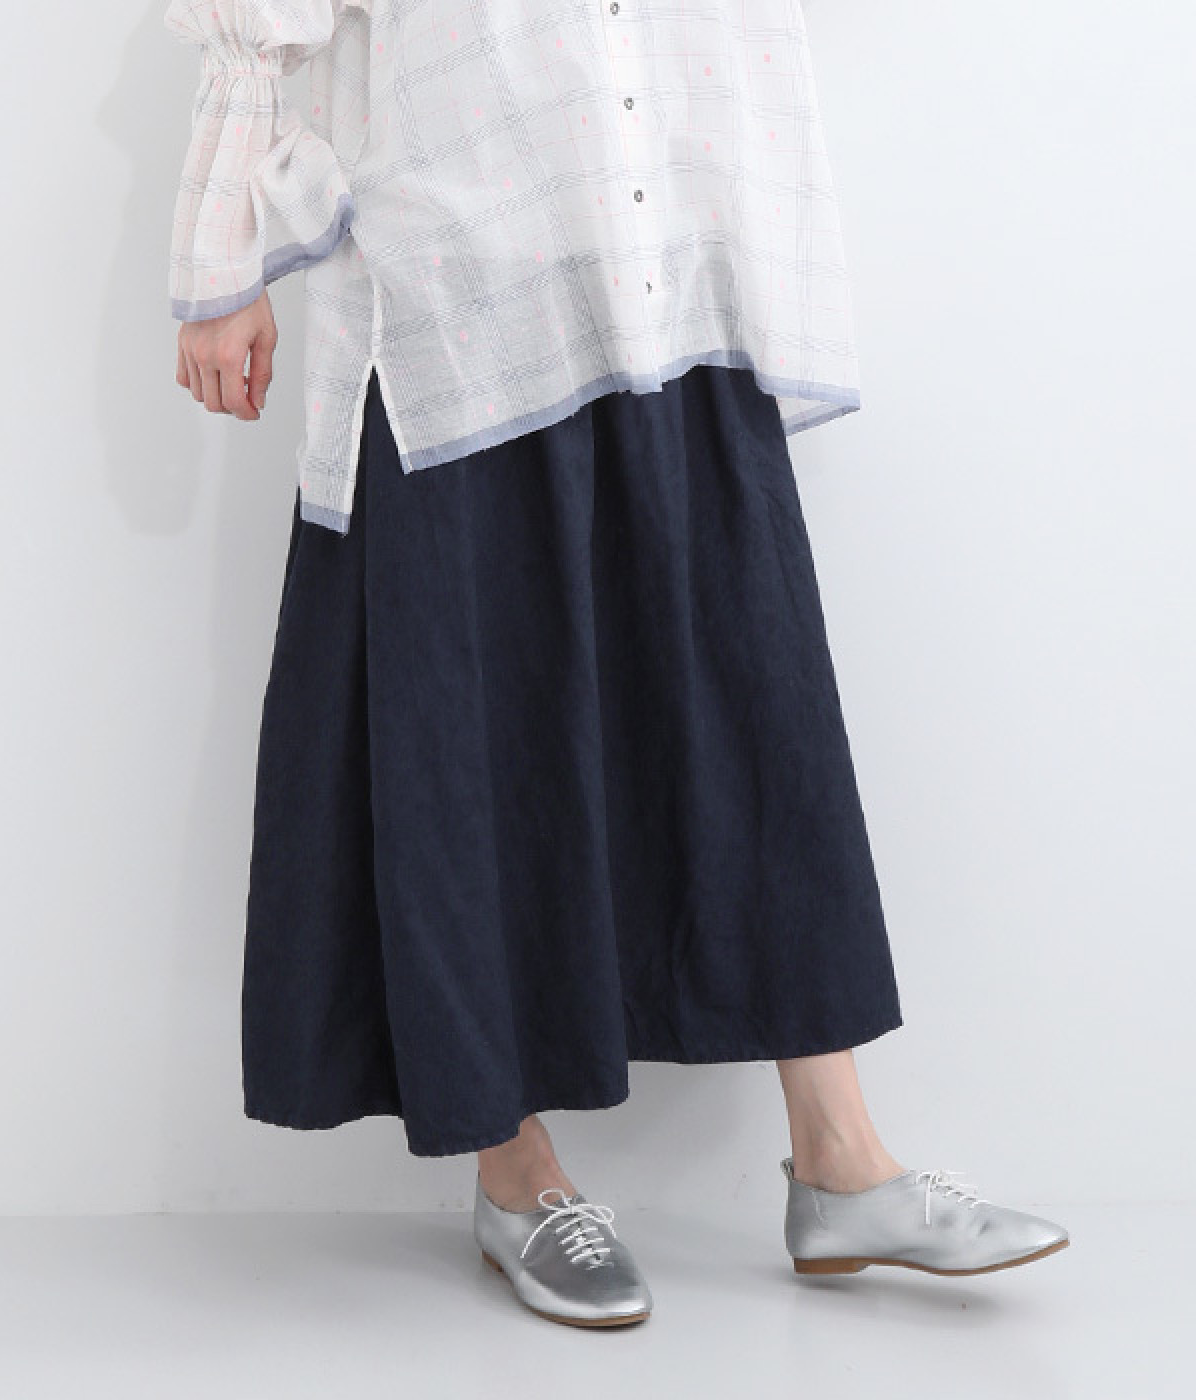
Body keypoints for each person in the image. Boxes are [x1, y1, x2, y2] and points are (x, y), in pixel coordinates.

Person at [164, 0, 1069, 1329]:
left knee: (755, 706)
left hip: (673, 279)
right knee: (476, 737)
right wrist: (220, 266)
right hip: (458, 302)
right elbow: (260, 22)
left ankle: (842, 1164)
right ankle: (516, 1173)